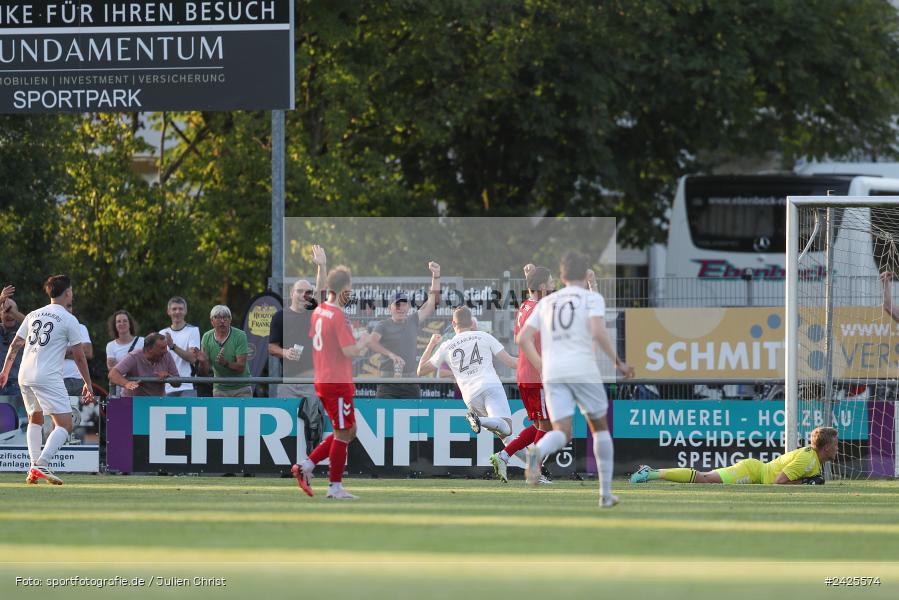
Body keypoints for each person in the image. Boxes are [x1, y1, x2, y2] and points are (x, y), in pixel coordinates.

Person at [517, 251, 635, 508]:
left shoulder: (547, 302)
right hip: (582, 369)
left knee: (561, 433)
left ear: (561, 276)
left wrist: (542, 366)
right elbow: (598, 331)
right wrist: (619, 363)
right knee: (600, 428)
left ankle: (537, 452)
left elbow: (522, 338)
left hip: (554, 372)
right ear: (585, 274)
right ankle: (605, 494)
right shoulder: (591, 299)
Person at [0, 275, 94, 485]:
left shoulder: (33, 314)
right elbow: (80, 356)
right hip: (47, 375)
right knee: (65, 425)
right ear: (68, 292)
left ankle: (33, 467)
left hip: (25, 373)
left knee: (35, 418)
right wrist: (88, 382)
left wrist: (5, 371)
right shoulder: (70, 319)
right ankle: (42, 463)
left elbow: (15, 344)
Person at [291, 266, 370, 500]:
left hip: (323, 379)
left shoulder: (320, 311)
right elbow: (349, 350)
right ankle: (334, 487)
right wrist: (364, 340)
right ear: (345, 288)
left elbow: (323, 343)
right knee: (343, 433)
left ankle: (306, 465)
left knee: (349, 430)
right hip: (336, 381)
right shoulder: (336, 315)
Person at [490, 264, 555, 483]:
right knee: (548, 426)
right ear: (544, 286)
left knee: (539, 425)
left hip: (525, 374)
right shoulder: (541, 309)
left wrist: (529, 277)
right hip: (537, 375)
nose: (554, 284)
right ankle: (534, 470)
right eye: (551, 281)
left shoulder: (526, 305)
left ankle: (504, 455)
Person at [418, 306, 519, 442]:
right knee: (506, 427)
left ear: (453, 323)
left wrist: (431, 344)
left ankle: (526, 462)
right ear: (472, 323)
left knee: (504, 436)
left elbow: (421, 370)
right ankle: (481, 420)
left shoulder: (446, 345)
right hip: (490, 386)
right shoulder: (484, 336)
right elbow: (512, 363)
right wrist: (537, 362)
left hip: (470, 396)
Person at [630, 426, 839, 485]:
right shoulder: (807, 458)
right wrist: (805, 483)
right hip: (753, 471)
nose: (838, 448)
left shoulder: (813, 458)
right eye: (835, 444)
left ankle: (652, 473)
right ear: (827, 447)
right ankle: (651, 473)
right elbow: (777, 482)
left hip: (757, 473)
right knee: (704, 478)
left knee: (705, 477)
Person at [269, 244, 327, 450]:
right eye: (300, 291)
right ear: (292, 293)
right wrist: (285, 352)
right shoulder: (280, 316)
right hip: (288, 382)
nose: (305, 295)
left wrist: (322, 266)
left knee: (314, 425)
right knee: (286, 427)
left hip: (311, 381)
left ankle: (313, 463)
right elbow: (271, 348)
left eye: (308, 292)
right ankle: (286, 467)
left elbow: (321, 293)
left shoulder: (314, 312)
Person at [368, 261, 441, 399]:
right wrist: (391, 355)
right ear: (390, 307)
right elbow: (372, 342)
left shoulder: (413, 320)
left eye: (404, 304)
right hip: (387, 382)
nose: (401, 308)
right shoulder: (383, 325)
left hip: (410, 381)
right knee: (384, 418)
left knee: (415, 419)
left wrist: (435, 276)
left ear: (408, 307)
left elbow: (432, 304)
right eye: (397, 305)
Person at [197, 305, 252, 397]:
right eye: (218, 317)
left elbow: (241, 367)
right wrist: (202, 362)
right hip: (219, 388)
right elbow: (204, 373)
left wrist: (225, 363)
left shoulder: (240, 335)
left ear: (230, 320)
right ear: (212, 321)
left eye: (225, 317)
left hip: (242, 387)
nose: (222, 321)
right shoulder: (206, 337)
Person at [107, 333, 181, 397]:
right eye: (162, 348)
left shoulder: (167, 355)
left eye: (166, 347)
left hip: (156, 403)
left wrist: (169, 377)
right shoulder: (134, 356)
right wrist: (127, 383)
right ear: (149, 349)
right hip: (133, 403)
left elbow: (178, 383)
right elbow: (112, 374)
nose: (165, 351)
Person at [159, 297, 201, 397]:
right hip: (166, 387)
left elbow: (193, 358)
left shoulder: (193, 330)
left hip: (188, 386)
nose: (177, 312)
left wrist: (173, 346)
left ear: (185, 311)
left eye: (180, 309)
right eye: (174, 309)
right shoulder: (161, 333)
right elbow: (157, 361)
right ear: (168, 312)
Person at [105, 310, 144, 396]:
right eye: (118, 321)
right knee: (121, 409)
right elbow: (111, 367)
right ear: (115, 326)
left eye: (125, 321)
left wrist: (121, 368)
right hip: (119, 387)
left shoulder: (142, 341)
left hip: (139, 385)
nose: (122, 323)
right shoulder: (110, 345)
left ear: (130, 324)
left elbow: (147, 363)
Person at [61, 304, 92, 398]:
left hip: (80, 380)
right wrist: (77, 350)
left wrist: (62, 351)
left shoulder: (81, 327)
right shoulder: (52, 329)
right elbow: (48, 353)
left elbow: (88, 353)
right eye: (64, 307)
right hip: (58, 381)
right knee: (61, 413)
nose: (68, 309)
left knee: (81, 413)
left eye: (70, 306)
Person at [0, 292, 26, 401]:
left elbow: (34, 325)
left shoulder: (24, 331)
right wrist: (0, 300)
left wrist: (12, 311)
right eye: (6, 311)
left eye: (12, 311)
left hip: (17, 386)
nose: (10, 315)